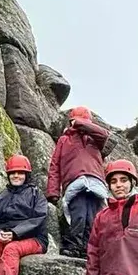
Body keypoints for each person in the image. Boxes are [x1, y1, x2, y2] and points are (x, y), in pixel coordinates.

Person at [46, 106, 110, 258]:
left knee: (93, 218)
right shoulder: (64, 140)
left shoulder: (94, 138)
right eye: (76, 121)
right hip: (74, 182)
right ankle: (74, 245)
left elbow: (104, 135)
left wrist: (82, 124)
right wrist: (53, 192)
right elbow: (55, 166)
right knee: (78, 214)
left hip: (95, 182)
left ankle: (90, 248)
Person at [0, 154, 48, 275]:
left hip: (34, 239)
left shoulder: (36, 194)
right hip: (5, 236)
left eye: (20, 173)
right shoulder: (2, 196)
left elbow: (38, 218)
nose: (16, 176)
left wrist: (14, 233)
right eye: (13, 173)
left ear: (27, 175)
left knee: (11, 249)